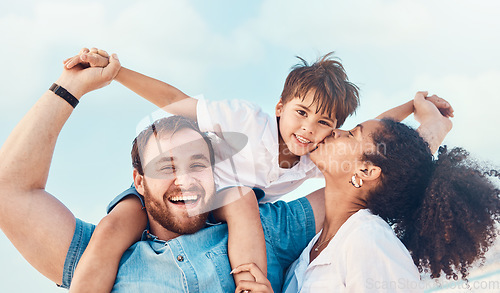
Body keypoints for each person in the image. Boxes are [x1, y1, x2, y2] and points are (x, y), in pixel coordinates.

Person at [63, 48, 455, 292]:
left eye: (324, 123)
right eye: (301, 113)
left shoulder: (312, 157)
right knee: (114, 228)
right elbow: (176, 100)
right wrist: (116, 73)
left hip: (225, 206)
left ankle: (250, 282)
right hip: (179, 190)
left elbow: (373, 148)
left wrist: (412, 108)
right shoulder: (247, 122)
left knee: (242, 201)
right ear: (280, 106)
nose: (308, 129)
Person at [0, 53, 326, 292]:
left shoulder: (268, 228)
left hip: (235, 203)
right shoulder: (101, 257)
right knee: (114, 226)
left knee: (242, 200)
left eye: (198, 164)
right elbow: (7, 190)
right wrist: (71, 86)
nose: (184, 178)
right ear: (139, 181)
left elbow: (363, 170)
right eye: (166, 166)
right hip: (136, 210)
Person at [231, 92, 500, 292]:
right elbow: (398, 167)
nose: (335, 131)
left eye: (350, 134)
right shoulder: (314, 245)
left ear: (367, 172)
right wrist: (430, 125)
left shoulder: (369, 240)